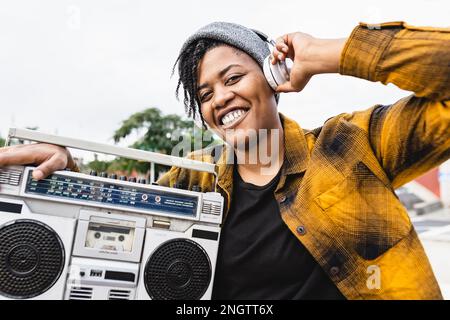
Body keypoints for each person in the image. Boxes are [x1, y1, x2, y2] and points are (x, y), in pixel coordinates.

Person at [0, 21, 449, 300]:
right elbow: (115, 228)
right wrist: (62, 177)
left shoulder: (351, 145)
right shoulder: (192, 178)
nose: (221, 99)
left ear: (275, 77)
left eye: (233, 77)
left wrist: (329, 54)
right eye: (205, 95)